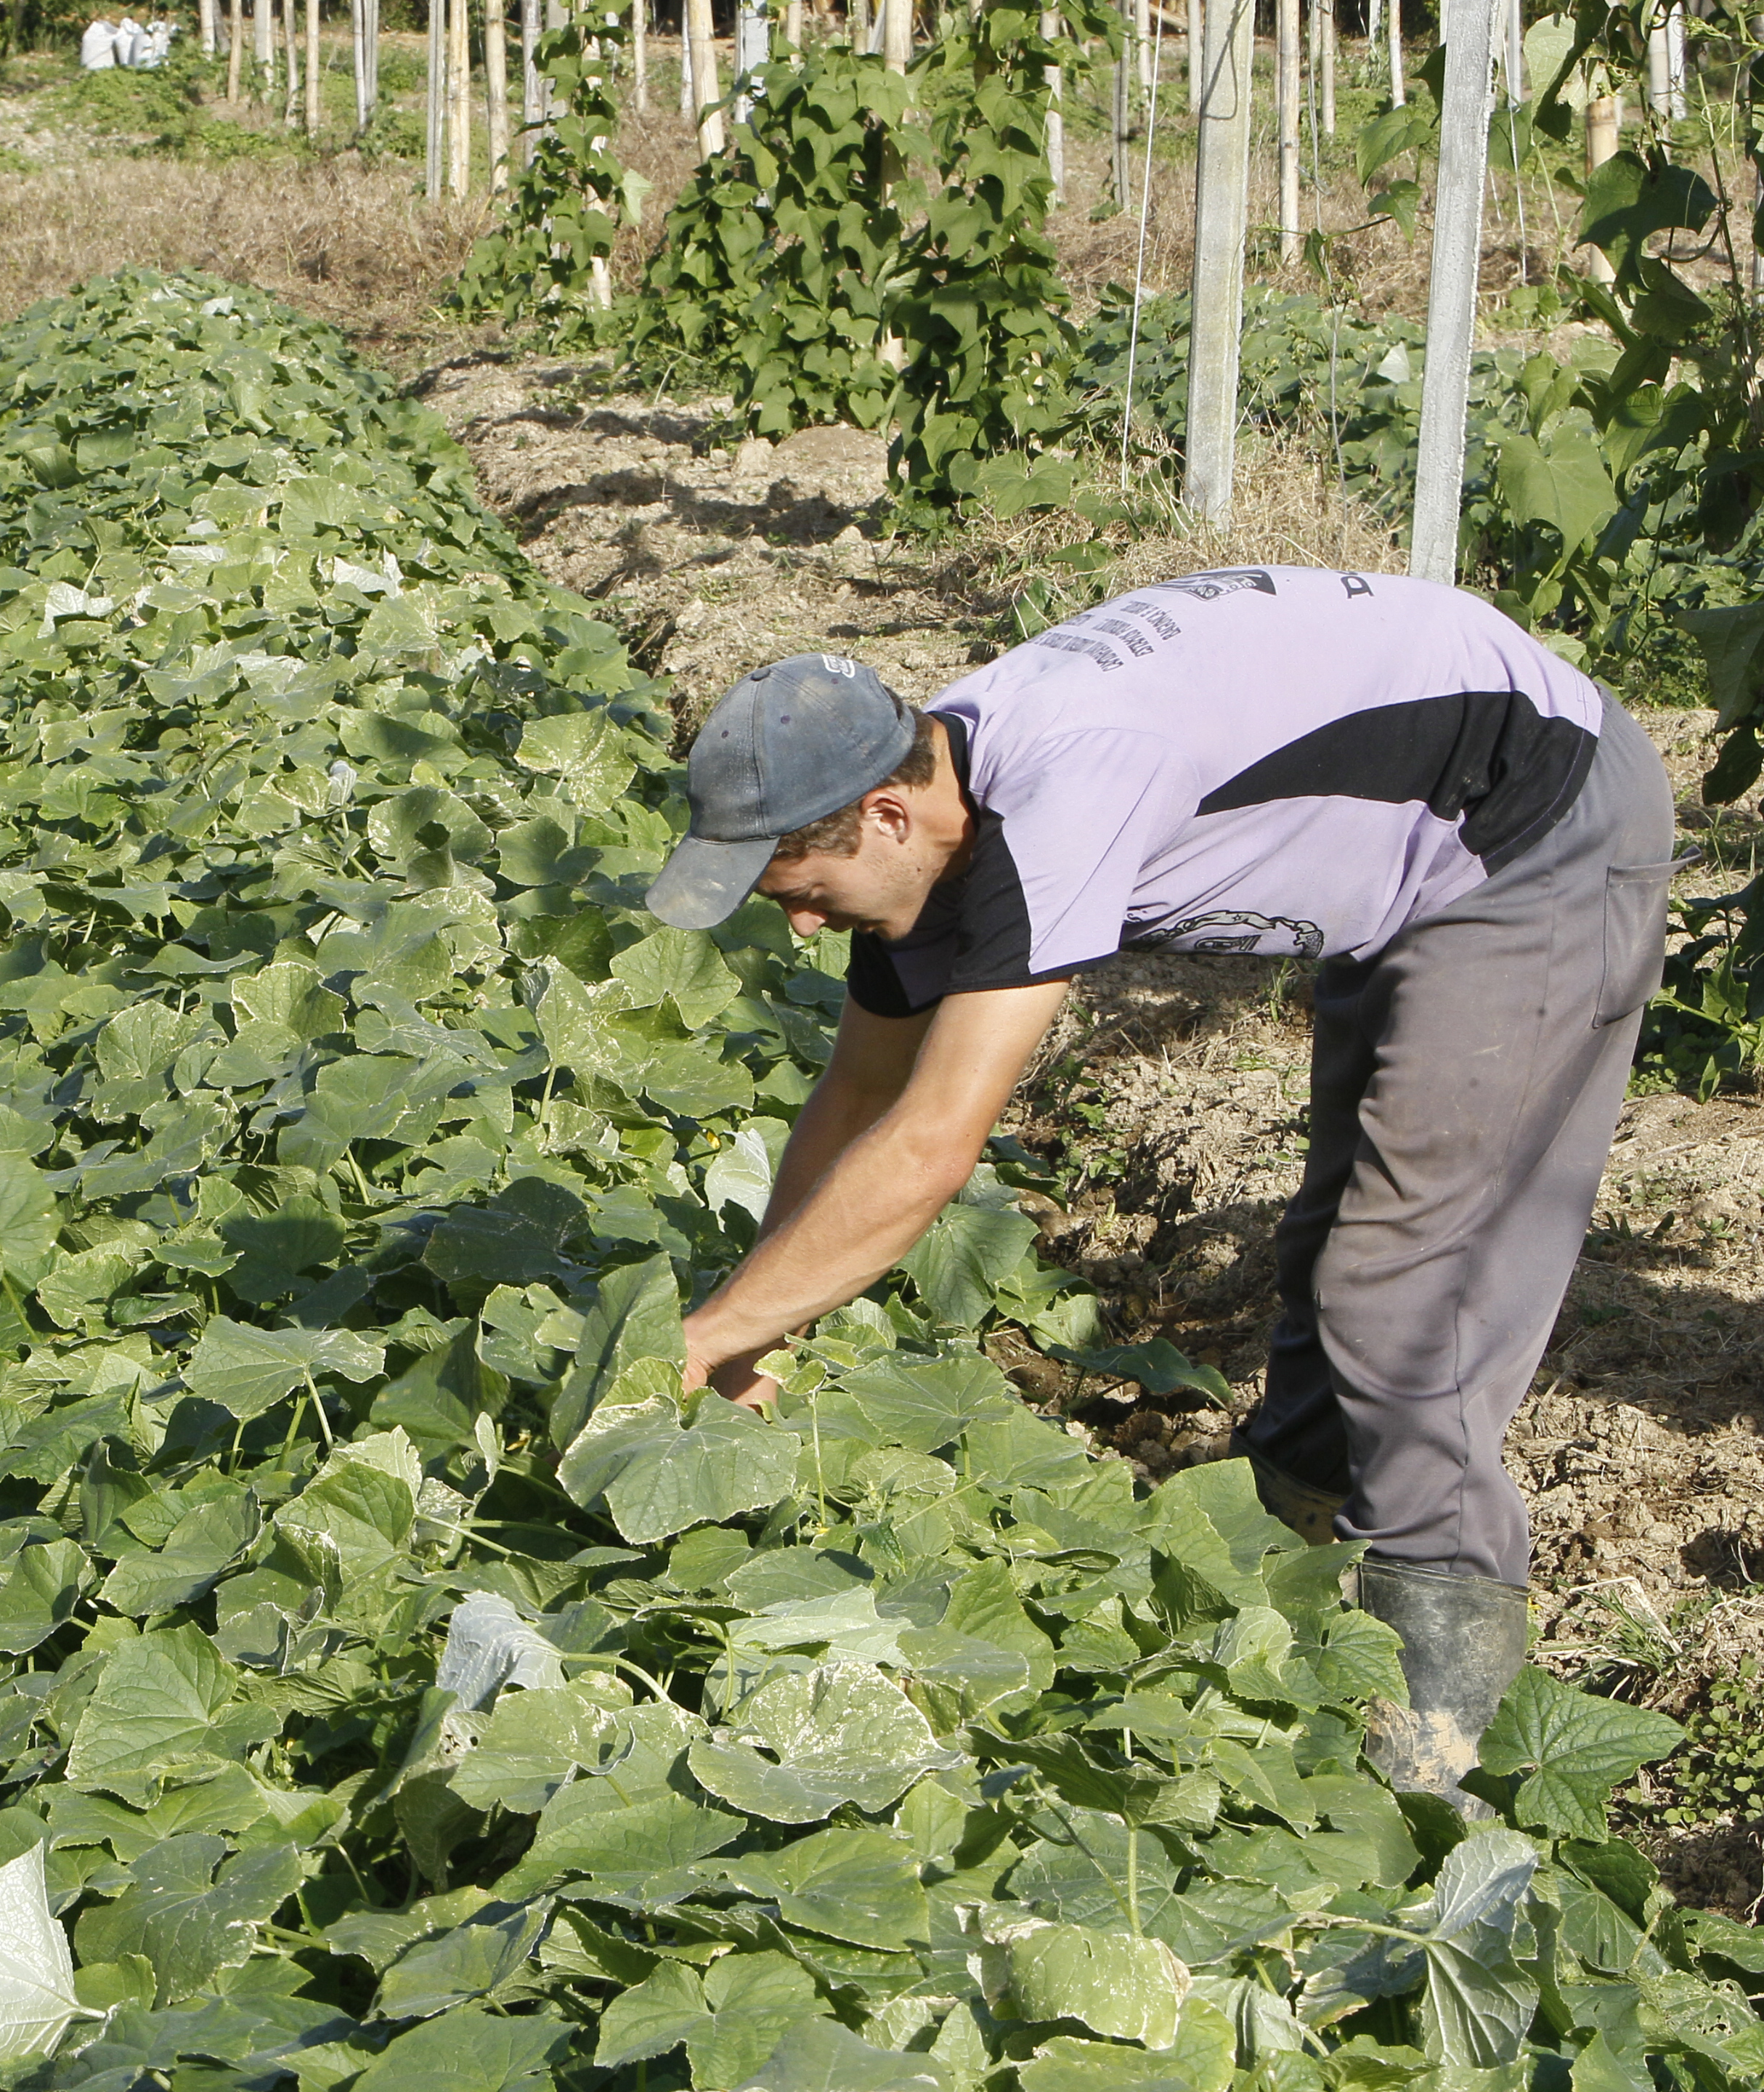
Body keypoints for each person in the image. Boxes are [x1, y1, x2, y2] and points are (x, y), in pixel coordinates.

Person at [645, 567, 1676, 1809]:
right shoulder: (939, 818)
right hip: (1406, 849)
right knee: (1337, 1240)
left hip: (1530, 824)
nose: (803, 930)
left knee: (1409, 1285)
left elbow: (928, 1145)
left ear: (884, 816)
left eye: (803, 893)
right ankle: (1285, 1546)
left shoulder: (1067, 789)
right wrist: (761, 1326)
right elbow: (858, 1100)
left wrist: (700, 1340)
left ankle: (1443, 1728)